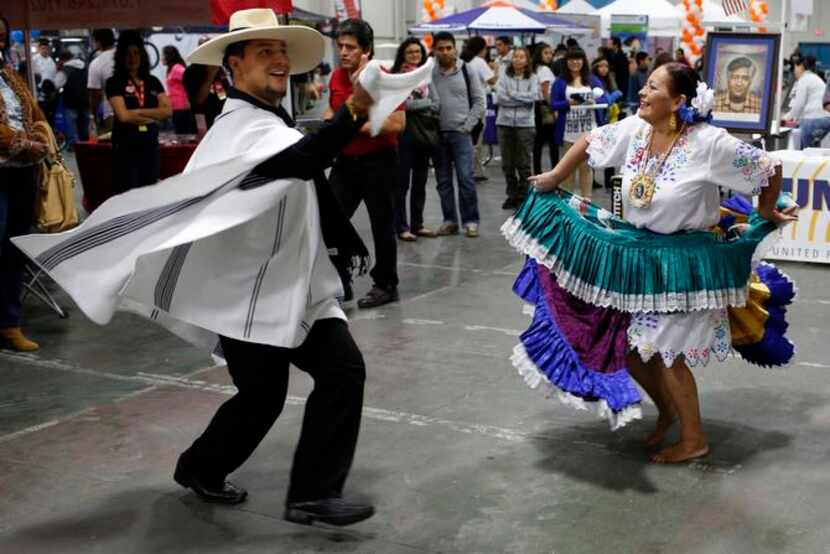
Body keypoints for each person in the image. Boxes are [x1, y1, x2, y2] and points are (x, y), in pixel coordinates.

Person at [11, 7, 431, 526]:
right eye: (264, 53)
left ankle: (309, 494)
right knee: (265, 395)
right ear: (235, 64)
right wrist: (354, 112)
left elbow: (302, 165)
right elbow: (302, 160)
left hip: (289, 286)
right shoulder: (241, 127)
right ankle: (202, 468)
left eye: (282, 52)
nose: (279, 61)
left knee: (338, 373)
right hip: (245, 295)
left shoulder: (268, 121)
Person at [508, 62, 797, 463]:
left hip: (682, 264)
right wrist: (556, 177)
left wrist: (766, 211)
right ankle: (669, 413)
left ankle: (694, 439)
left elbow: (768, 167)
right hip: (641, 257)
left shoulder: (708, 142)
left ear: (678, 101)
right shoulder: (636, 129)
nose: (642, 92)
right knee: (630, 346)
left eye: (653, 87)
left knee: (667, 353)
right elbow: (591, 139)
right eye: (645, 85)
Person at [325, 19, 405, 309]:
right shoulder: (336, 77)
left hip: (379, 162)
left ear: (366, 50)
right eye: (340, 46)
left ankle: (386, 284)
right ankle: (340, 278)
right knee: (331, 222)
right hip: (346, 161)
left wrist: (346, 125)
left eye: (351, 47)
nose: (344, 52)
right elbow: (331, 111)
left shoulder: (384, 77)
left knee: (382, 225)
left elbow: (397, 124)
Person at [0, 14, 50, 351]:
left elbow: (35, 115)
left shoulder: (10, 74)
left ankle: (8, 322)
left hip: (21, 171)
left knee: (15, 248)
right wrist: (25, 142)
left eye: (2, 35)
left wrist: (40, 136)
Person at [432, 31, 485, 238]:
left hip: (461, 134)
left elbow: (479, 101)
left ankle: (471, 220)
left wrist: (467, 127)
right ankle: (450, 221)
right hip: (437, 135)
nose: (445, 52)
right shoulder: (430, 72)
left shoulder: (467, 70)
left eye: (449, 48)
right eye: (441, 48)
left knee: (466, 179)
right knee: (443, 181)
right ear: (434, 50)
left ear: (455, 48)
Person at [106, 30, 172, 193]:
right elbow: (123, 115)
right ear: (121, 57)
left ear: (142, 56)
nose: (132, 58)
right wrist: (152, 116)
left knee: (150, 192)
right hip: (125, 147)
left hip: (150, 146)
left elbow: (167, 111)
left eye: (136, 53)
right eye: (128, 54)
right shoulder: (114, 82)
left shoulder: (153, 81)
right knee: (128, 193)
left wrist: (137, 112)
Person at [391, 37, 439, 242]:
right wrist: (424, 104)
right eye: (410, 52)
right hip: (403, 136)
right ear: (403, 54)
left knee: (420, 182)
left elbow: (437, 104)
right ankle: (401, 226)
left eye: (417, 52)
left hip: (424, 136)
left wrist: (417, 104)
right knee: (401, 184)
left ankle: (417, 224)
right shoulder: (397, 77)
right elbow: (401, 105)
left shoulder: (427, 76)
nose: (414, 55)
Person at [549, 47, 607, 199]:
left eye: (578, 59)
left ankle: (586, 203)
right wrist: (569, 104)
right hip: (568, 133)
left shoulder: (592, 79)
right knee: (567, 170)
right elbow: (554, 103)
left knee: (587, 169)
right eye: (571, 59)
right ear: (566, 61)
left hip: (589, 133)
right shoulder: (560, 81)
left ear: (584, 61)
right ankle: (567, 204)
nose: (575, 62)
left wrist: (593, 100)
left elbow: (604, 98)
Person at [496, 46, 539, 210]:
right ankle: (511, 195)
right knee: (507, 164)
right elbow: (500, 98)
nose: (518, 59)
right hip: (504, 123)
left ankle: (524, 196)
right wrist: (522, 99)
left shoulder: (533, 78)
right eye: (515, 56)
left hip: (525, 125)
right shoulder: (504, 76)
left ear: (527, 60)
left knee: (524, 163)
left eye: (522, 57)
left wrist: (512, 95)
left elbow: (534, 97)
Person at [460, 36, 496, 182]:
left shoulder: (462, 61)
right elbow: (493, 81)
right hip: (478, 106)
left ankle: (467, 168)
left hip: (463, 105)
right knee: (477, 141)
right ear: (482, 49)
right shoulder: (479, 62)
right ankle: (475, 171)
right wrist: (496, 69)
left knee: (466, 138)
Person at [182, 36, 230, 131]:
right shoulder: (192, 71)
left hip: (220, 118)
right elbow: (199, 100)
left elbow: (222, 95)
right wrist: (210, 75)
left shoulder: (218, 68)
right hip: (201, 118)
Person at [783, 55, 830, 150]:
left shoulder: (805, 79)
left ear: (800, 66)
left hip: (813, 119)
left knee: (806, 152)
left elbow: (799, 105)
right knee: (814, 151)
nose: (794, 71)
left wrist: (785, 118)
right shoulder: (815, 78)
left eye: (795, 67)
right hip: (825, 118)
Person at [532, 43, 557, 176]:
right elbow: (546, 91)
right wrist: (554, 108)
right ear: (539, 54)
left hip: (537, 107)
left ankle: (537, 170)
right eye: (546, 53)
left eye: (551, 53)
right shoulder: (545, 70)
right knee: (552, 141)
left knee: (539, 141)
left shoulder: (536, 68)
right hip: (545, 107)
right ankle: (555, 170)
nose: (549, 56)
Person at [56, 50, 90, 147]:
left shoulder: (66, 69)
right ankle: (85, 143)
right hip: (85, 100)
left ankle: (73, 145)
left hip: (71, 101)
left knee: (71, 124)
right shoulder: (85, 66)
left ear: (62, 59)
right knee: (84, 123)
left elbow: (57, 84)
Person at [88, 29, 117, 135]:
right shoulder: (126, 57)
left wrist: (93, 118)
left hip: (112, 113)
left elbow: (95, 95)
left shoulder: (96, 63)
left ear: (98, 42)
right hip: (136, 112)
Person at [162, 45, 196, 134]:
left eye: (163, 55)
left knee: (182, 134)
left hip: (182, 108)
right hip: (175, 108)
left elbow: (190, 80)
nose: (162, 58)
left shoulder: (177, 68)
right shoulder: (171, 69)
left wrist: (189, 100)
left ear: (169, 56)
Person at [609, 37, 630, 102]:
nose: (608, 45)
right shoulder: (614, 55)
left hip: (621, 85)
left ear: (615, 45)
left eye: (610, 44)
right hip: (618, 84)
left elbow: (623, 74)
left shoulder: (620, 56)